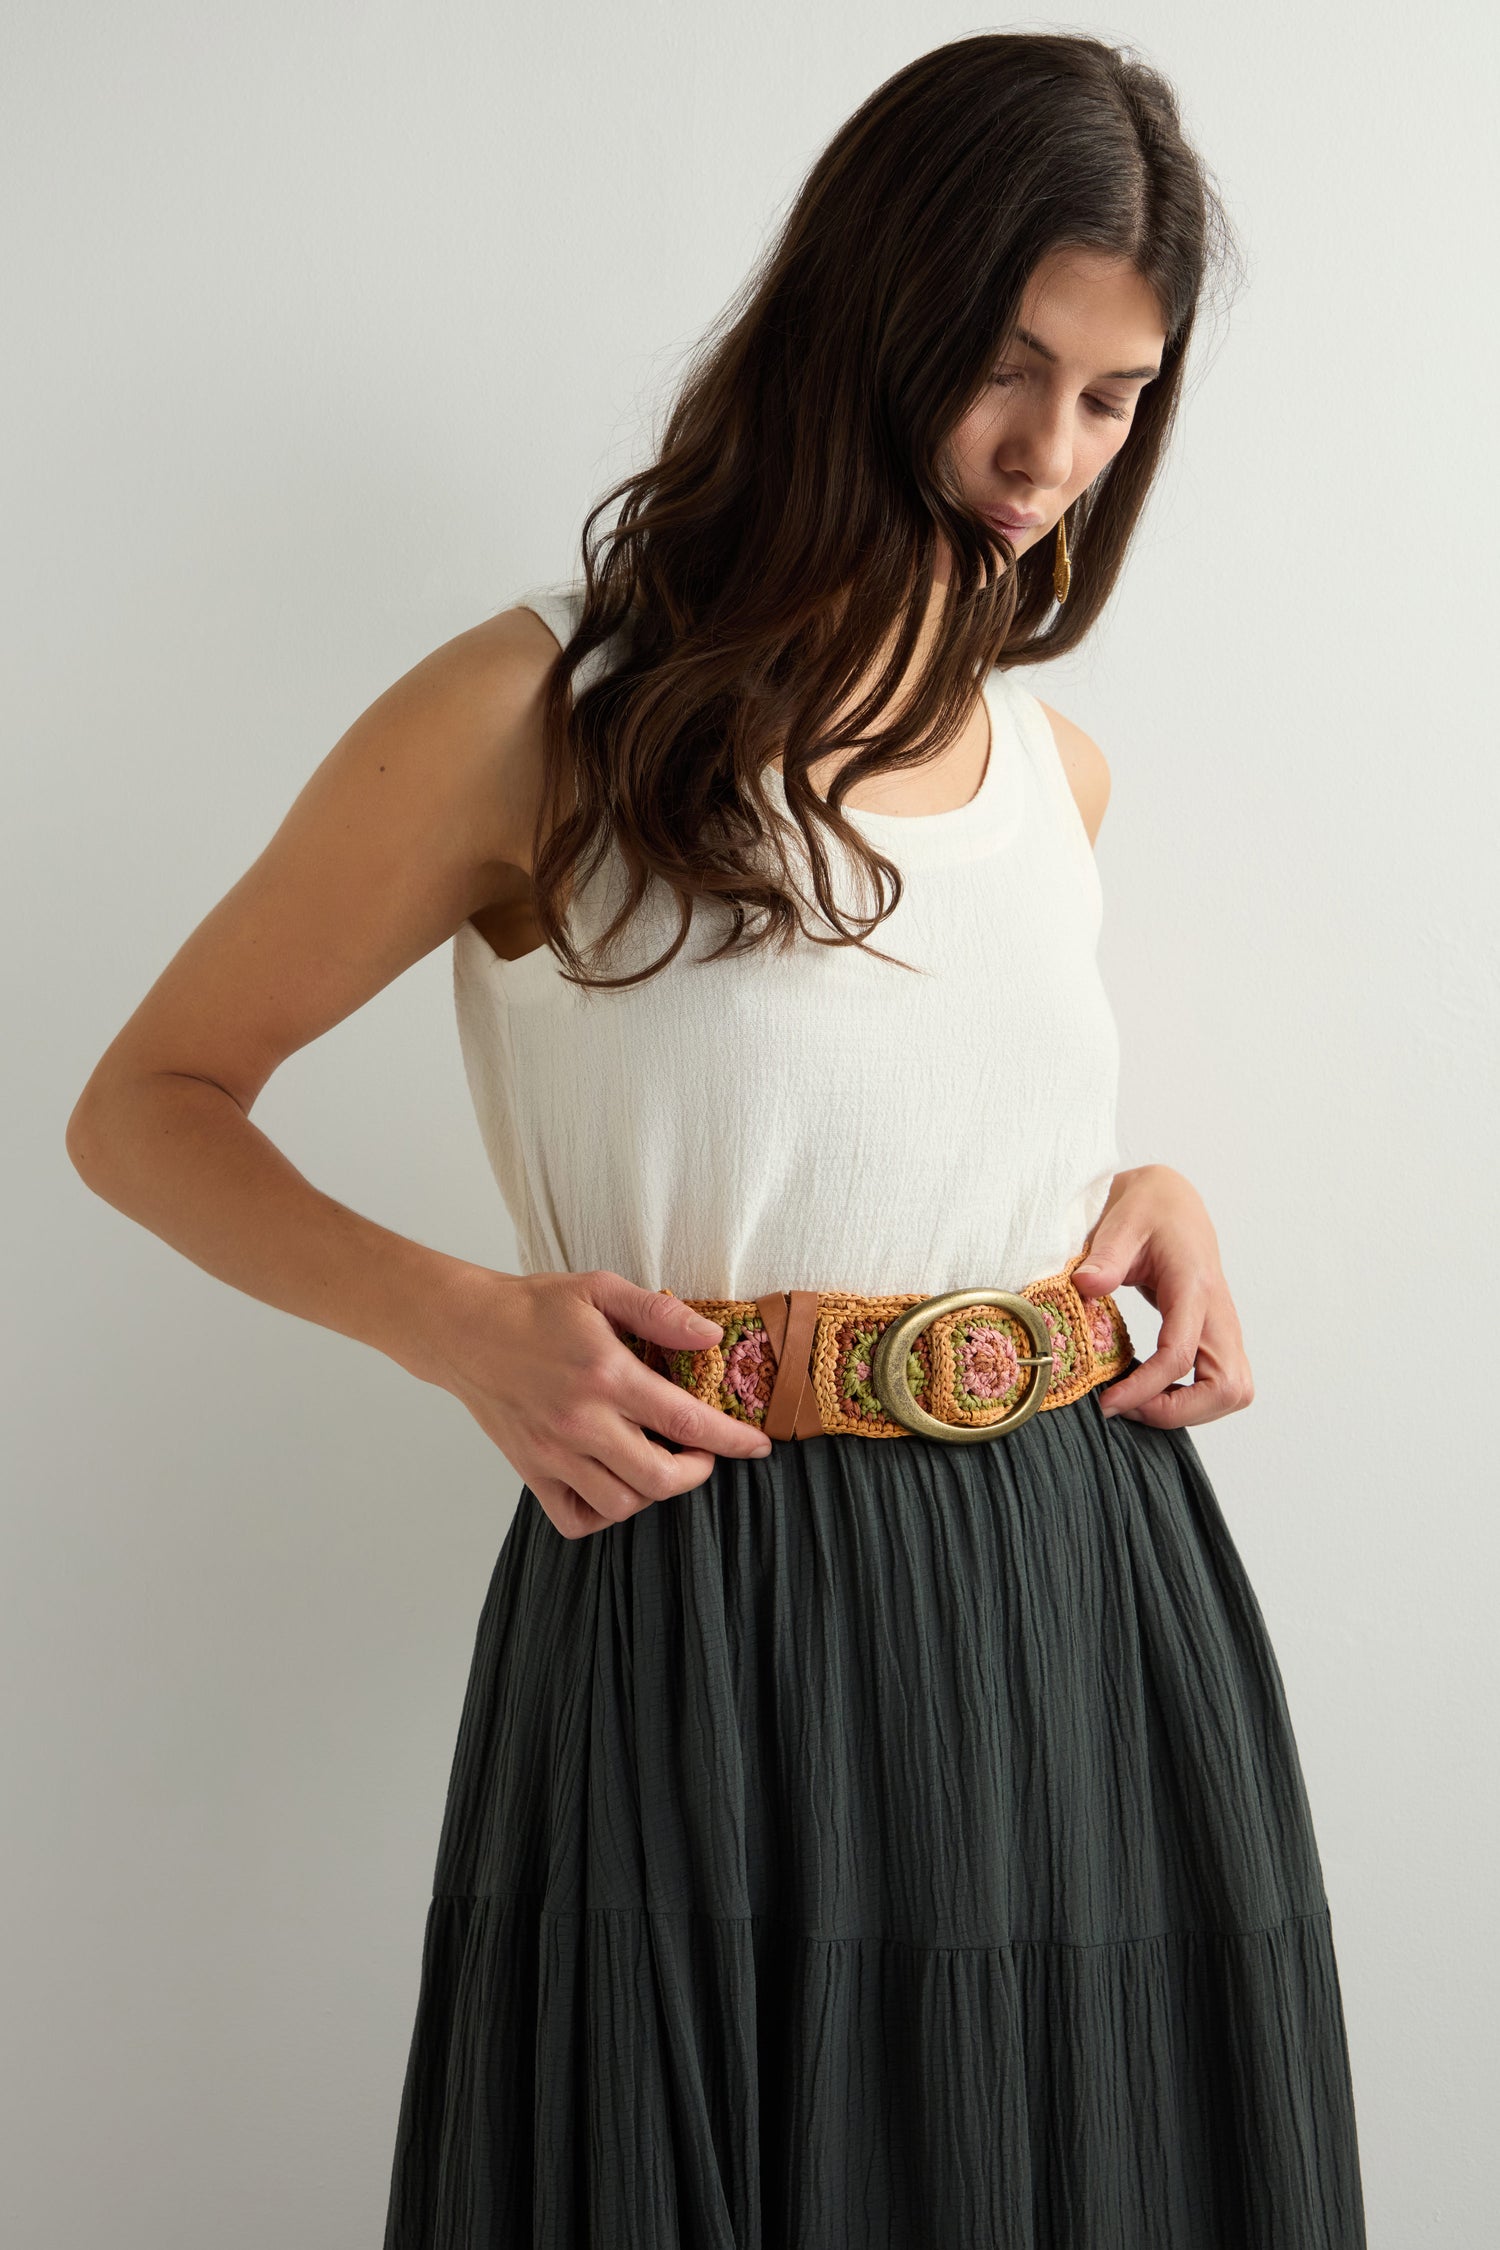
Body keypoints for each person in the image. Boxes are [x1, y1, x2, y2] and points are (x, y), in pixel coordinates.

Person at [66, 30, 1368, 2250]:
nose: (1053, 452)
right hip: (712, 1601)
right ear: (872, 307)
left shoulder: (1054, 777)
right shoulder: (532, 714)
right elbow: (144, 1110)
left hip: (1083, 1589)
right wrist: (459, 1326)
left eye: (1118, 394)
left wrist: (1139, 1195)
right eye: (1012, 364)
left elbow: (932, 1122)